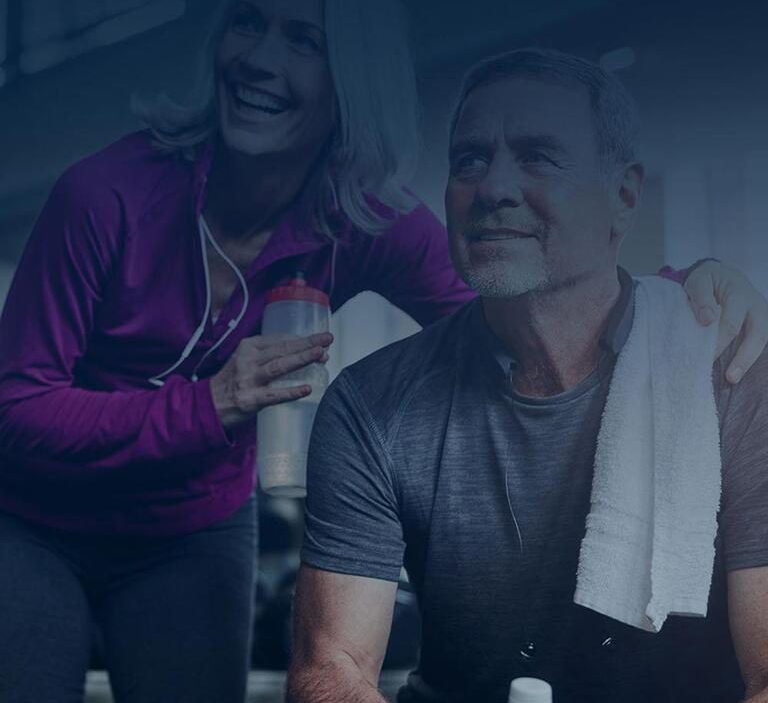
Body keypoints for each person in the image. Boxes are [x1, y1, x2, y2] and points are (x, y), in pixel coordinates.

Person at [0, 0, 761, 701]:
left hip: (188, 528)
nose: (260, 59)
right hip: (38, 520)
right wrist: (209, 404)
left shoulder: (355, 216)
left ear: (350, 78)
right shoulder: (105, 196)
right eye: (247, 23)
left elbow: (521, 291)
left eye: (305, 40)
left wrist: (680, 300)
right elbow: (15, 405)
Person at [287, 49, 768, 703]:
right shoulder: (371, 402)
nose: (492, 188)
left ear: (624, 197)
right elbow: (330, 668)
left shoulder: (733, 375)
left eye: (538, 156)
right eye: (469, 160)